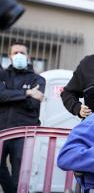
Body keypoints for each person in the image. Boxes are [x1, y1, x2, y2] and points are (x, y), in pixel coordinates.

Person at [0, 41, 45, 193]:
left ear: (28, 56)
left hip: (24, 133)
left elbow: (33, 104)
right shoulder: (2, 75)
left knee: (20, 173)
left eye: (22, 53)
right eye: (15, 53)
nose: (19, 55)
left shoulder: (38, 80)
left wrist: (10, 95)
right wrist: (26, 93)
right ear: (10, 56)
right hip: (1, 130)